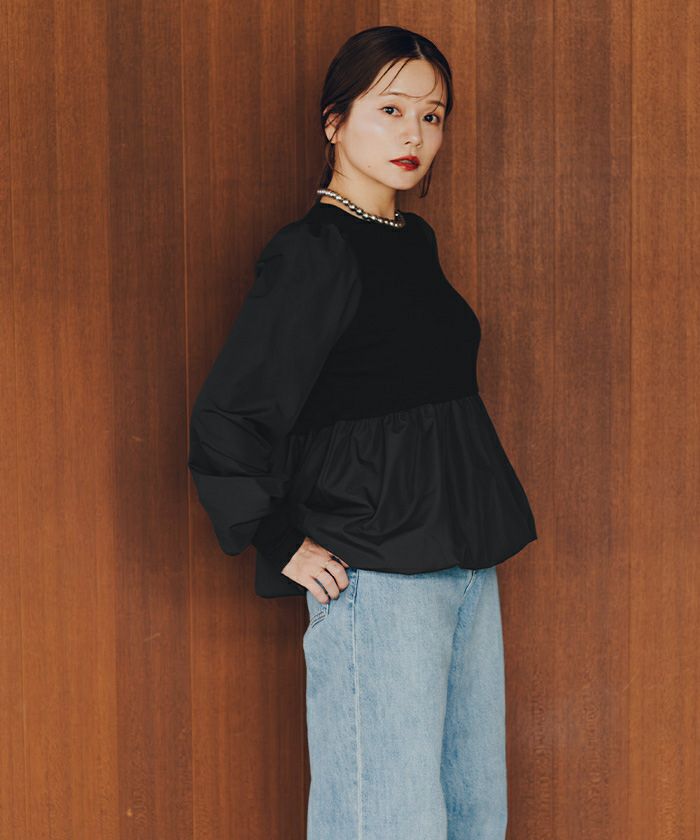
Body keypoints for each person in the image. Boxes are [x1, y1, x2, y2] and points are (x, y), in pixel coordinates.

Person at [187, 25, 537, 840]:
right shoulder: (311, 252)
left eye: (432, 115)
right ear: (335, 121)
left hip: (463, 560)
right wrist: (279, 539)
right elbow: (231, 409)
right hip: (376, 570)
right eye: (391, 109)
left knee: (474, 813)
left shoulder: (413, 240)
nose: (415, 133)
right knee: (389, 819)